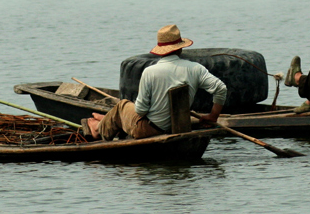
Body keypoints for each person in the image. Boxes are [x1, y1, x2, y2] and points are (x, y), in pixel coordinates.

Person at [87, 24, 227, 140]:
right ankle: (109, 120)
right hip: (178, 125)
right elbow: (221, 89)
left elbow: (141, 110)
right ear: (180, 48)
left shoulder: (150, 72)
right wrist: (213, 115)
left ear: (161, 50)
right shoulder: (195, 68)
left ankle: (99, 129)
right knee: (121, 112)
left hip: (149, 130)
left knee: (122, 105)